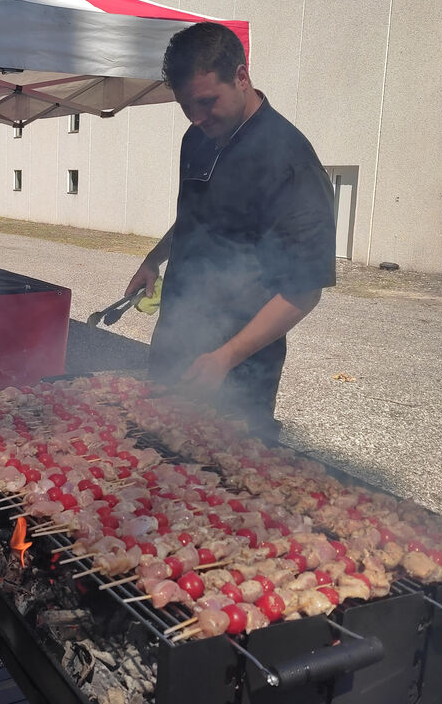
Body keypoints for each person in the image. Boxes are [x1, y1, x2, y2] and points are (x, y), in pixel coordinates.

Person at [126, 22, 336, 439]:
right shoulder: (197, 137)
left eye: (206, 102)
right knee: (150, 465)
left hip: (238, 365)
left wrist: (225, 357)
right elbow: (197, 215)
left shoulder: (290, 162)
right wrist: (154, 258)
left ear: (242, 77)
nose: (197, 118)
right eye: (187, 107)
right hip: (177, 338)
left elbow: (305, 288)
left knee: (221, 483)